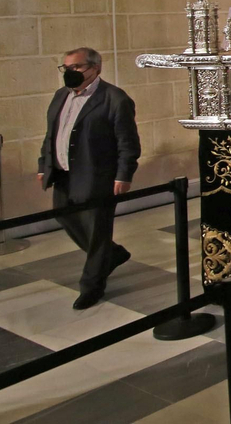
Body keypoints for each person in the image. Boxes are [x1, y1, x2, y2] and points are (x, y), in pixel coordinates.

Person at [37, 47, 140, 310]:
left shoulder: (114, 98)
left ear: (95, 68)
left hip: (97, 175)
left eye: (77, 67)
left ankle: (91, 286)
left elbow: (127, 142)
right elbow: (52, 134)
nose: (70, 73)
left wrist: (123, 174)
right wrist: (43, 166)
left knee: (96, 233)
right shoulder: (61, 96)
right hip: (63, 173)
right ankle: (112, 254)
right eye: (66, 68)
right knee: (64, 214)